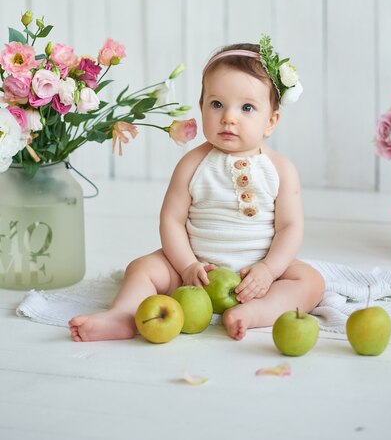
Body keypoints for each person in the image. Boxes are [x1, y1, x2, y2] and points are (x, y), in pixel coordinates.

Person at [69, 36, 325, 342]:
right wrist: (187, 265)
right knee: (142, 268)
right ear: (202, 107)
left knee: (310, 281)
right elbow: (172, 221)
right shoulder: (193, 164)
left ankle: (256, 312)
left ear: (271, 121)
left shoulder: (280, 169)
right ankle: (124, 316)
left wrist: (269, 270)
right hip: (195, 275)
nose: (229, 117)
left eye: (247, 108)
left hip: (256, 276)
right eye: (217, 104)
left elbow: (290, 227)